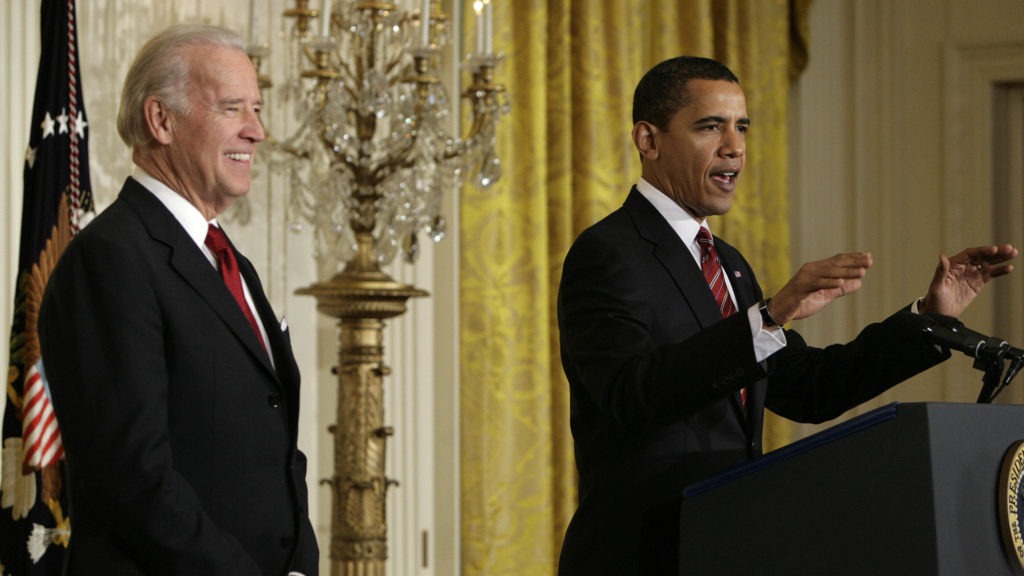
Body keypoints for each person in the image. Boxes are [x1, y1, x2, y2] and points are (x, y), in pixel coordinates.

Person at [555, 55, 1018, 575]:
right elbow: (632, 395)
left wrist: (930, 320)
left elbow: (808, 389)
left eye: (742, 127)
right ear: (648, 139)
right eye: (711, 127)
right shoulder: (609, 253)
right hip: (639, 558)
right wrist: (770, 316)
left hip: (724, 549)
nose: (735, 147)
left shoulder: (726, 264)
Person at [38, 24, 319, 575]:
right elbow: (135, 478)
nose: (258, 131)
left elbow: (277, 451)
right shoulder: (112, 259)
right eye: (233, 108)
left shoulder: (228, 261)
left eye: (257, 109)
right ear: (160, 120)